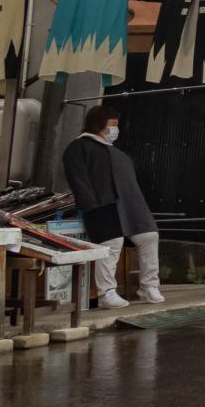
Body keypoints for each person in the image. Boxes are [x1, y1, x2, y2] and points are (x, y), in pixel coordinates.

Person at [62, 104, 162, 308]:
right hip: (101, 203)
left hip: (131, 204)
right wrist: (90, 204)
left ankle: (149, 286)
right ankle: (106, 292)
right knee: (112, 243)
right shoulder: (79, 146)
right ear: (98, 124)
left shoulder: (115, 152)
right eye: (112, 124)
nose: (116, 129)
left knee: (149, 236)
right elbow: (78, 178)